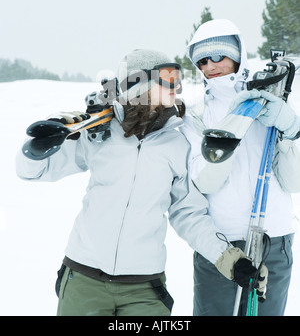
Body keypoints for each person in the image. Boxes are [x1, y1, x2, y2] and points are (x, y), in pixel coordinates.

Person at [16, 48, 267, 317]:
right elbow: (32, 171)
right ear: (140, 83)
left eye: (178, 77)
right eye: (168, 77)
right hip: (84, 278)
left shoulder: (177, 143)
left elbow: (188, 214)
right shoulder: (98, 133)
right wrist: (37, 149)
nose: (177, 86)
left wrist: (230, 260)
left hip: (144, 288)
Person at [182, 18, 300, 316]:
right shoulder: (197, 114)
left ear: (237, 53)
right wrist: (232, 127)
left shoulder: (268, 101)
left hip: (274, 238)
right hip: (220, 245)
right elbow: (205, 182)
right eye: (202, 61)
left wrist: (289, 129)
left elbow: (294, 181)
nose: (210, 66)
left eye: (218, 56)